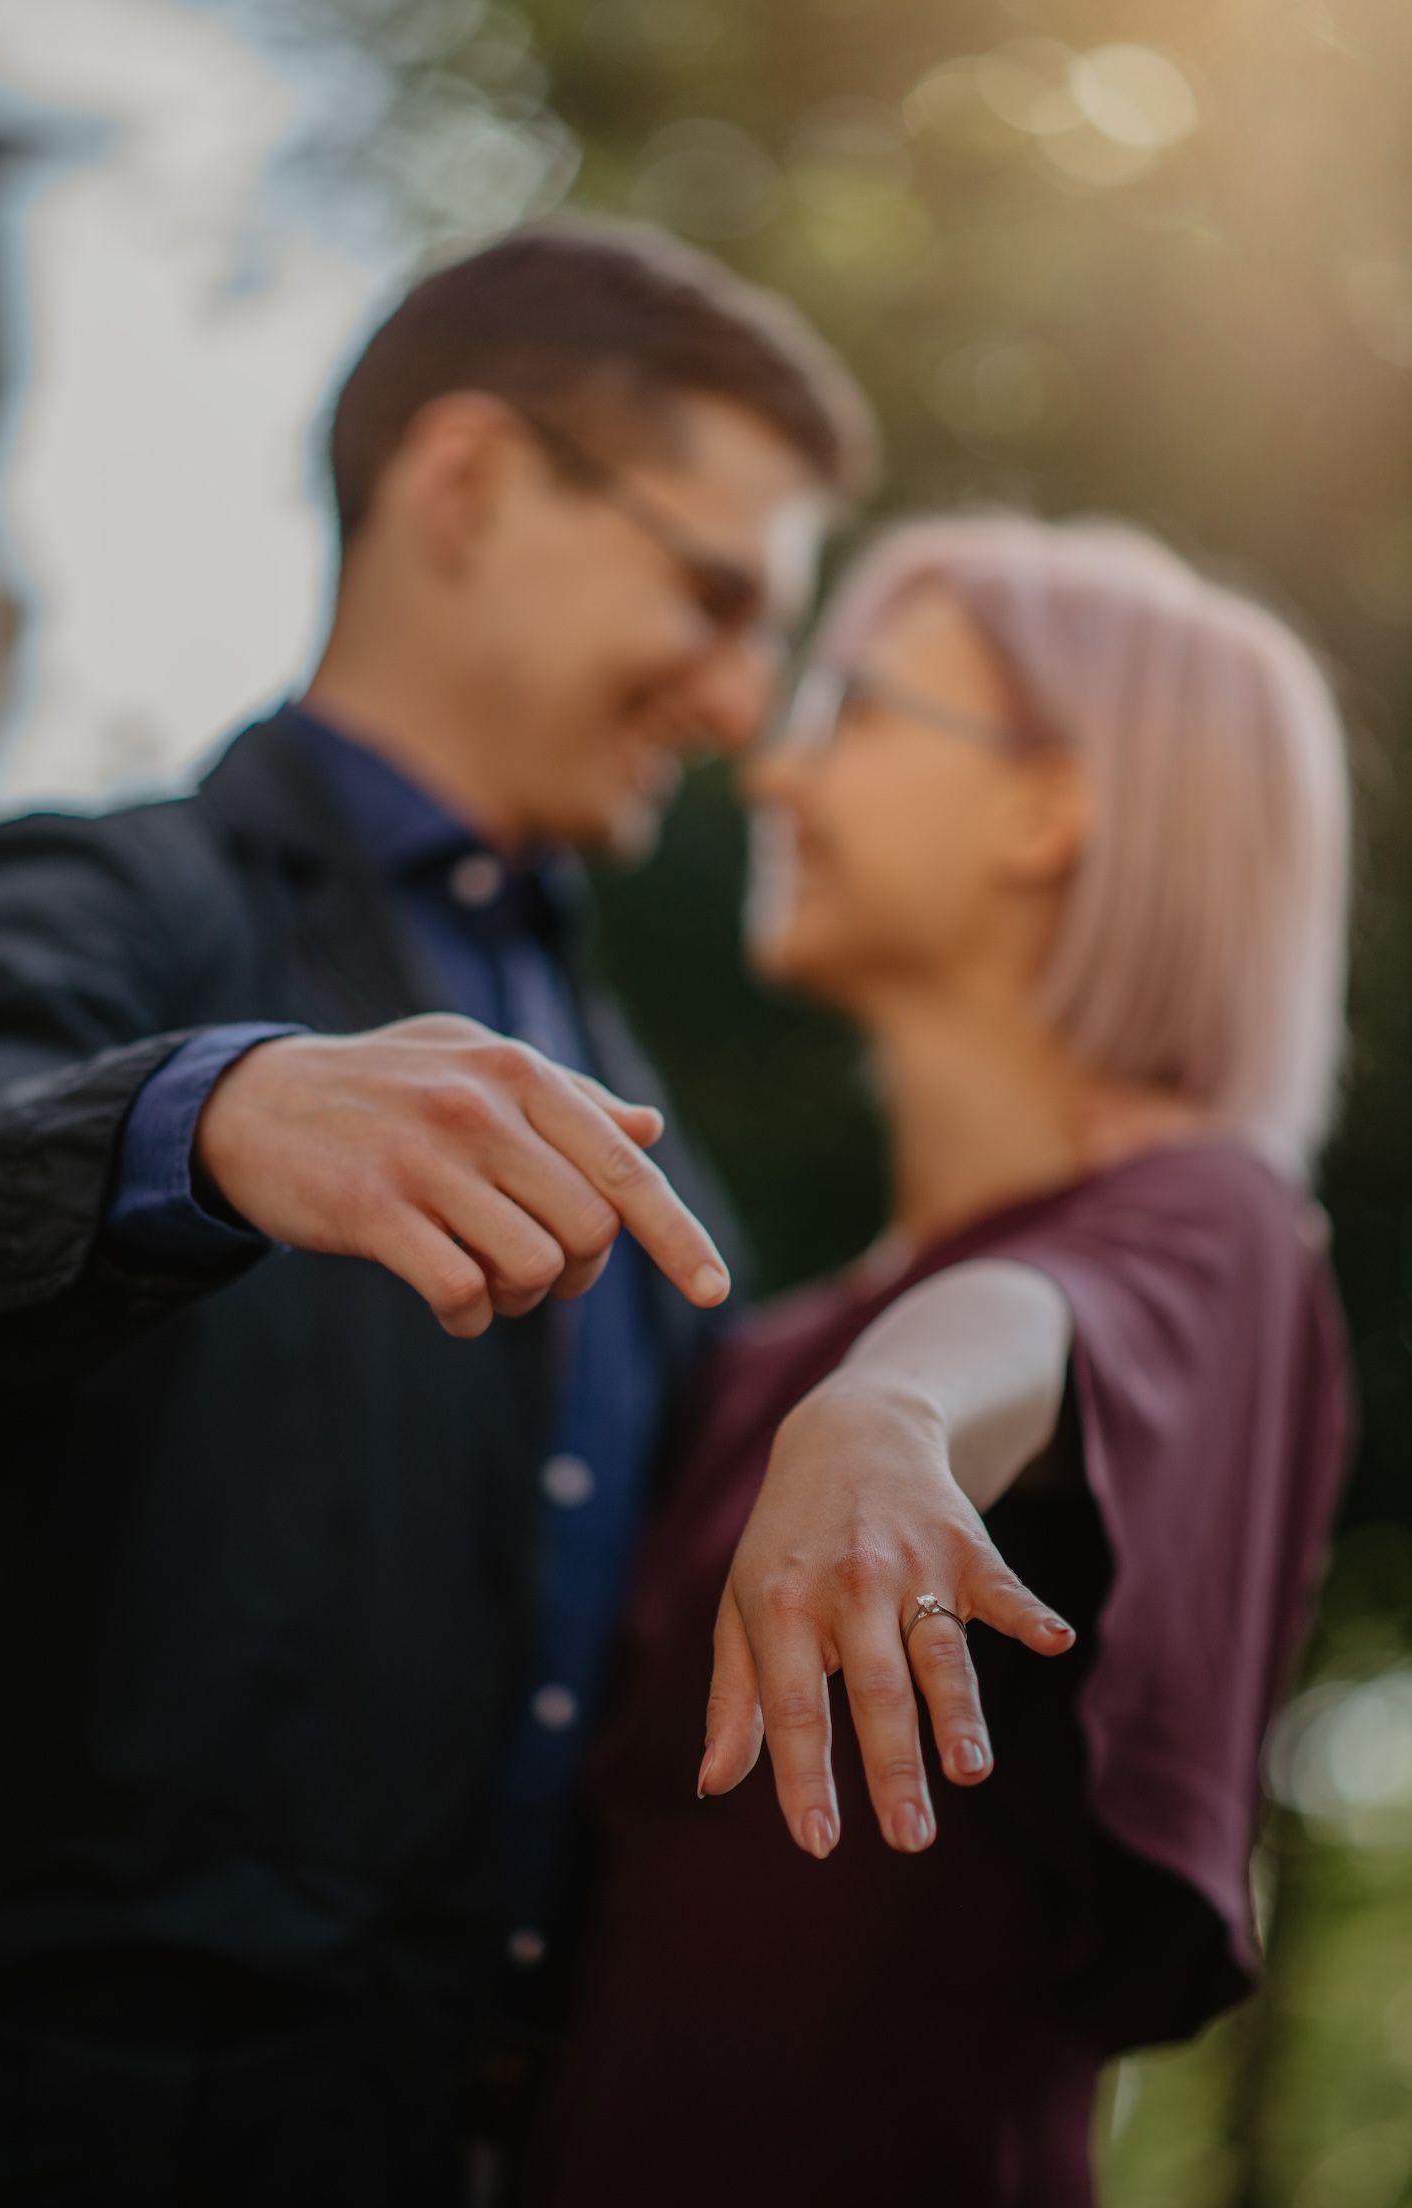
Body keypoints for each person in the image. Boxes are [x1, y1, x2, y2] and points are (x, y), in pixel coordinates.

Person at [0, 219, 880, 2203]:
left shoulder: (640, 1098)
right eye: (714, 593)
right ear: (463, 481)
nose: (738, 699)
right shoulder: (128, 901)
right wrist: (217, 1114)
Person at [521, 514, 1355, 2207]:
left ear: (1050, 809)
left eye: (858, 715)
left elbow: (1043, 1323)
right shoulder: (760, 1350)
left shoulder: (1212, 1220)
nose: (773, 776)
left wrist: (895, 1413)